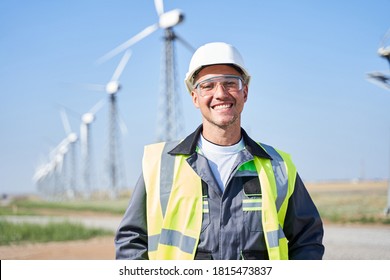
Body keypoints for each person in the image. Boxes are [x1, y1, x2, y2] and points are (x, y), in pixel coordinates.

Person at [115, 42, 325, 260]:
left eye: (230, 83)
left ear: (245, 92)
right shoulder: (160, 164)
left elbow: (307, 239)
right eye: (208, 85)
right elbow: (132, 240)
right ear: (195, 97)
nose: (221, 94)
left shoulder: (278, 165)